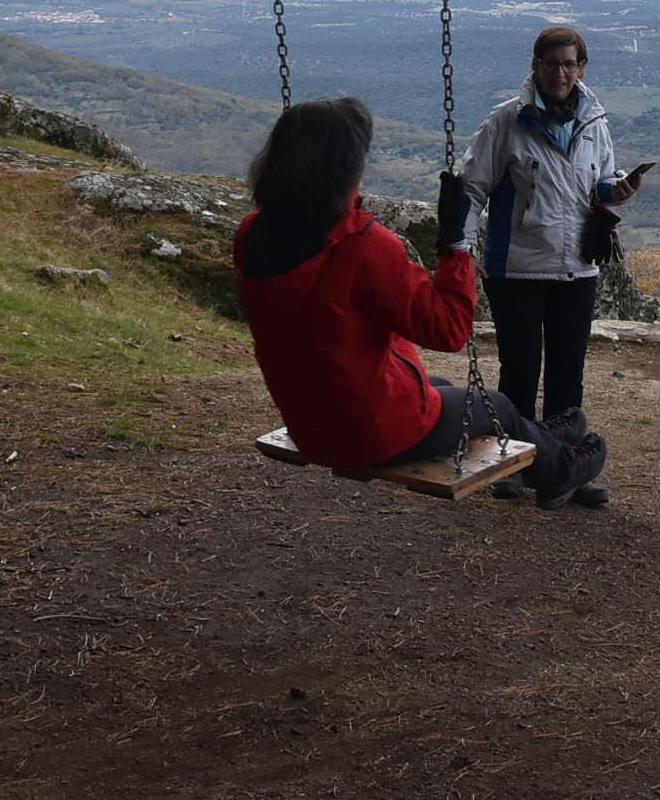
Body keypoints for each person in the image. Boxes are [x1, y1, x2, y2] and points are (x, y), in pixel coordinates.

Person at [233, 96, 606, 507]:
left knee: (441, 387)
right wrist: (454, 245)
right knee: (496, 405)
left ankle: (544, 437)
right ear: (344, 168)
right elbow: (449, 330)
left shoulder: (251, 235)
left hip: (310, 424)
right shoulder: (361, 246)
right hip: (372, 432)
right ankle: (563, 467)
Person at [456, 25, 641, 506]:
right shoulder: (507, 121)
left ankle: (565, 470)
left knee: (567, 374)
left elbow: (599, 182)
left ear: (582, 68)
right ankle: (510, 467)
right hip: (517, 266)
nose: (561, 73)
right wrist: (462, 248)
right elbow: (472, 187)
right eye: (553, 63)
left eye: (570, 64)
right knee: (519, 370)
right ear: (535, 65)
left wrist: (617, 189)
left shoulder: (594, 120)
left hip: (577, 266)